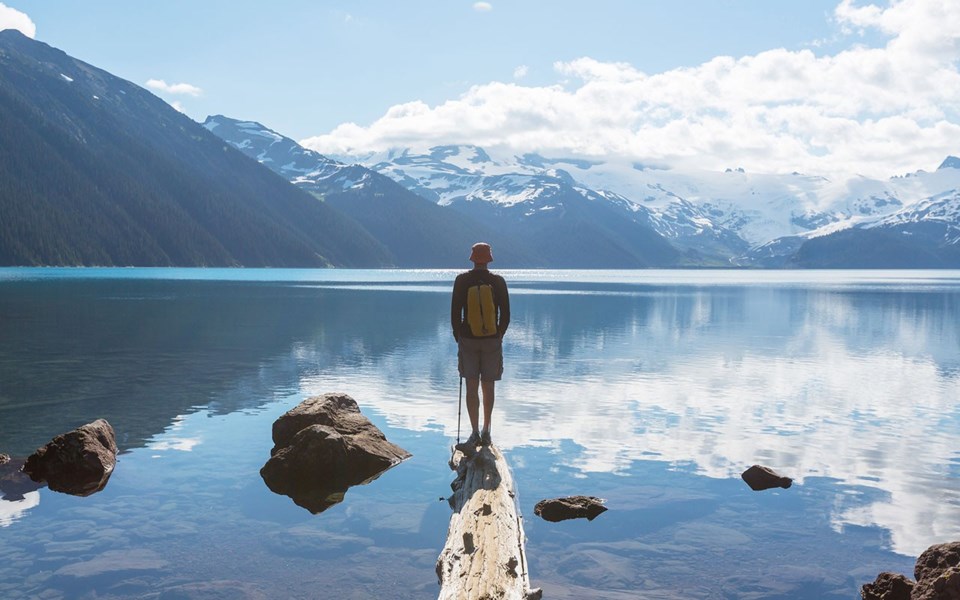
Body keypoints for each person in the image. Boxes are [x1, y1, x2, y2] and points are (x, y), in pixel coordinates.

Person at [451, 242, 510, 450]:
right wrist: (497, 335)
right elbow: (506, 315)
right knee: (489, 385)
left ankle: (474, 433)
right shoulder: (498, 281)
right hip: (492, 340)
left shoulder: (462, 280)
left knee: (471, 386)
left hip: (468, 340)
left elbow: (455, 313)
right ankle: (487, 432)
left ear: (473, 258)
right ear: (489, 259)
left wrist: (460, 337)